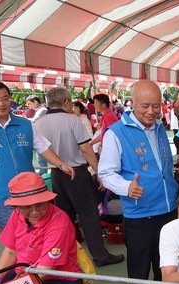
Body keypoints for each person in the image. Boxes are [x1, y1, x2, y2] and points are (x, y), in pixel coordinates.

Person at [99, 80, 179, 284]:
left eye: (156, 105)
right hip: (139, 212)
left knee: (165, 258)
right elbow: (106, 173)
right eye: (145, 105)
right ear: (131, 103)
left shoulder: (158, 127)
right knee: (139, 262)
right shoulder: (116, 133)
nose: (151, 111)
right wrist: (126, 188)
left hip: (168, 208)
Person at [35, 87, 124, 267]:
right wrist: (100, 172)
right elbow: (86, 149)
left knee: (64, 217)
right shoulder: (73, 120)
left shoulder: (39, 123)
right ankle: (100, 256)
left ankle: (63, 257)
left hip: (56, 174)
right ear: (66, 102)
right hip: (77, 172)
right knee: (88, 215)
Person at [0, 172, 83, 284]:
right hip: (23, 272)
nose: (34, 212)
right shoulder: (17, 214)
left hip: (59, 279)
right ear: (16, 206)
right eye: (26, 207)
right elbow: (11, 251)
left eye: (41, 204)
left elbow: (44, 270)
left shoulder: (59, 222)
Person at [0, 80, 74, 230]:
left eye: (5, 98)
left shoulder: (25, 125)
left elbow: (43, 148)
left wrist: (61, 164)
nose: (1, 103)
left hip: (31, 195)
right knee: (15, 241)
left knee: (37, 236)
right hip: (2, 198)